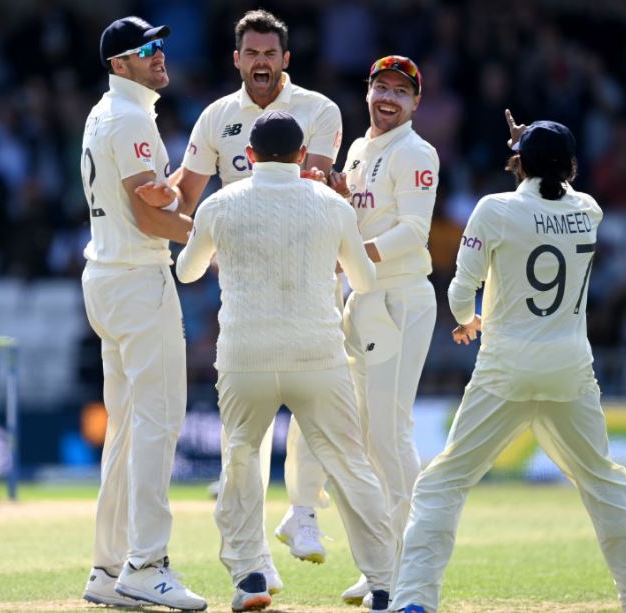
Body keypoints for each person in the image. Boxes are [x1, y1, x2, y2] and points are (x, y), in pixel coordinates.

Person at [389, 115, 626, 613]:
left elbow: (459, 292)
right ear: (572, 166)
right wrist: (531, 155)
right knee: (604, 480)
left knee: (443, 482)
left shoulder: (494, 210)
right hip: (569, 369)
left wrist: (469, 321)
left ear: (518, 164)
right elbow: (558, 190)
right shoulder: (589, 210)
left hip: (505, 369)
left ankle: (413, 602)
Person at [175, 109, 397, 613]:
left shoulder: (221, 203)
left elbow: (186, 272)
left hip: (244, 356)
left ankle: (250, 575)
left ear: (248, 156)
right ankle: (383, 583)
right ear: (302, 156)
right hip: (316, 356)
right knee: (349, 465)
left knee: (240, 459)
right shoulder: (330, 204)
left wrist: (216, 246)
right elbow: (363, 282)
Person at [167, 8, 344, 579]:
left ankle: (302, 512)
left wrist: (220, 228)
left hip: (312, 279)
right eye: (253, 53)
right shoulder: (216, 117)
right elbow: (186, 197)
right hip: (246, 290)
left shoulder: (318, 110)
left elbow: (311, 186)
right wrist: (147, 198)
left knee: (319, 412)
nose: (262, 62)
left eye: (271, 54)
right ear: (237, 58)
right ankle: (254, 563)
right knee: (244, 438)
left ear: (285, 60)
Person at [78, 16, 206, 612]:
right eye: (146, 49)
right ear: (118, 64)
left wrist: (173, 196)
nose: (159, 55)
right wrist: (213, 238)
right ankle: (147, 563)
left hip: (107, 278)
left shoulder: (109, 112)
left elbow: (158, 197)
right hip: (135, 277)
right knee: (158, 423)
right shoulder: (130, 116)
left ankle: (107, 570)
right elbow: (152, 215)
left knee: (127, 430)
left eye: (159, 46)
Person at [325, 55, 439, 606]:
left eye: (401, 91)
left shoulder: (417, 152)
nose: (389, 98)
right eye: (380, 88)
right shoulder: (361, 149)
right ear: (366, 92)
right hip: (363, 297)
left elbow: (415, 232)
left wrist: (356, 256)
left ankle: (405, 565)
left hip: (398, 297)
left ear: (416, 103)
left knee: (389, 433)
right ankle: (380, 565)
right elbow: (357, 214)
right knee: (366, 436)